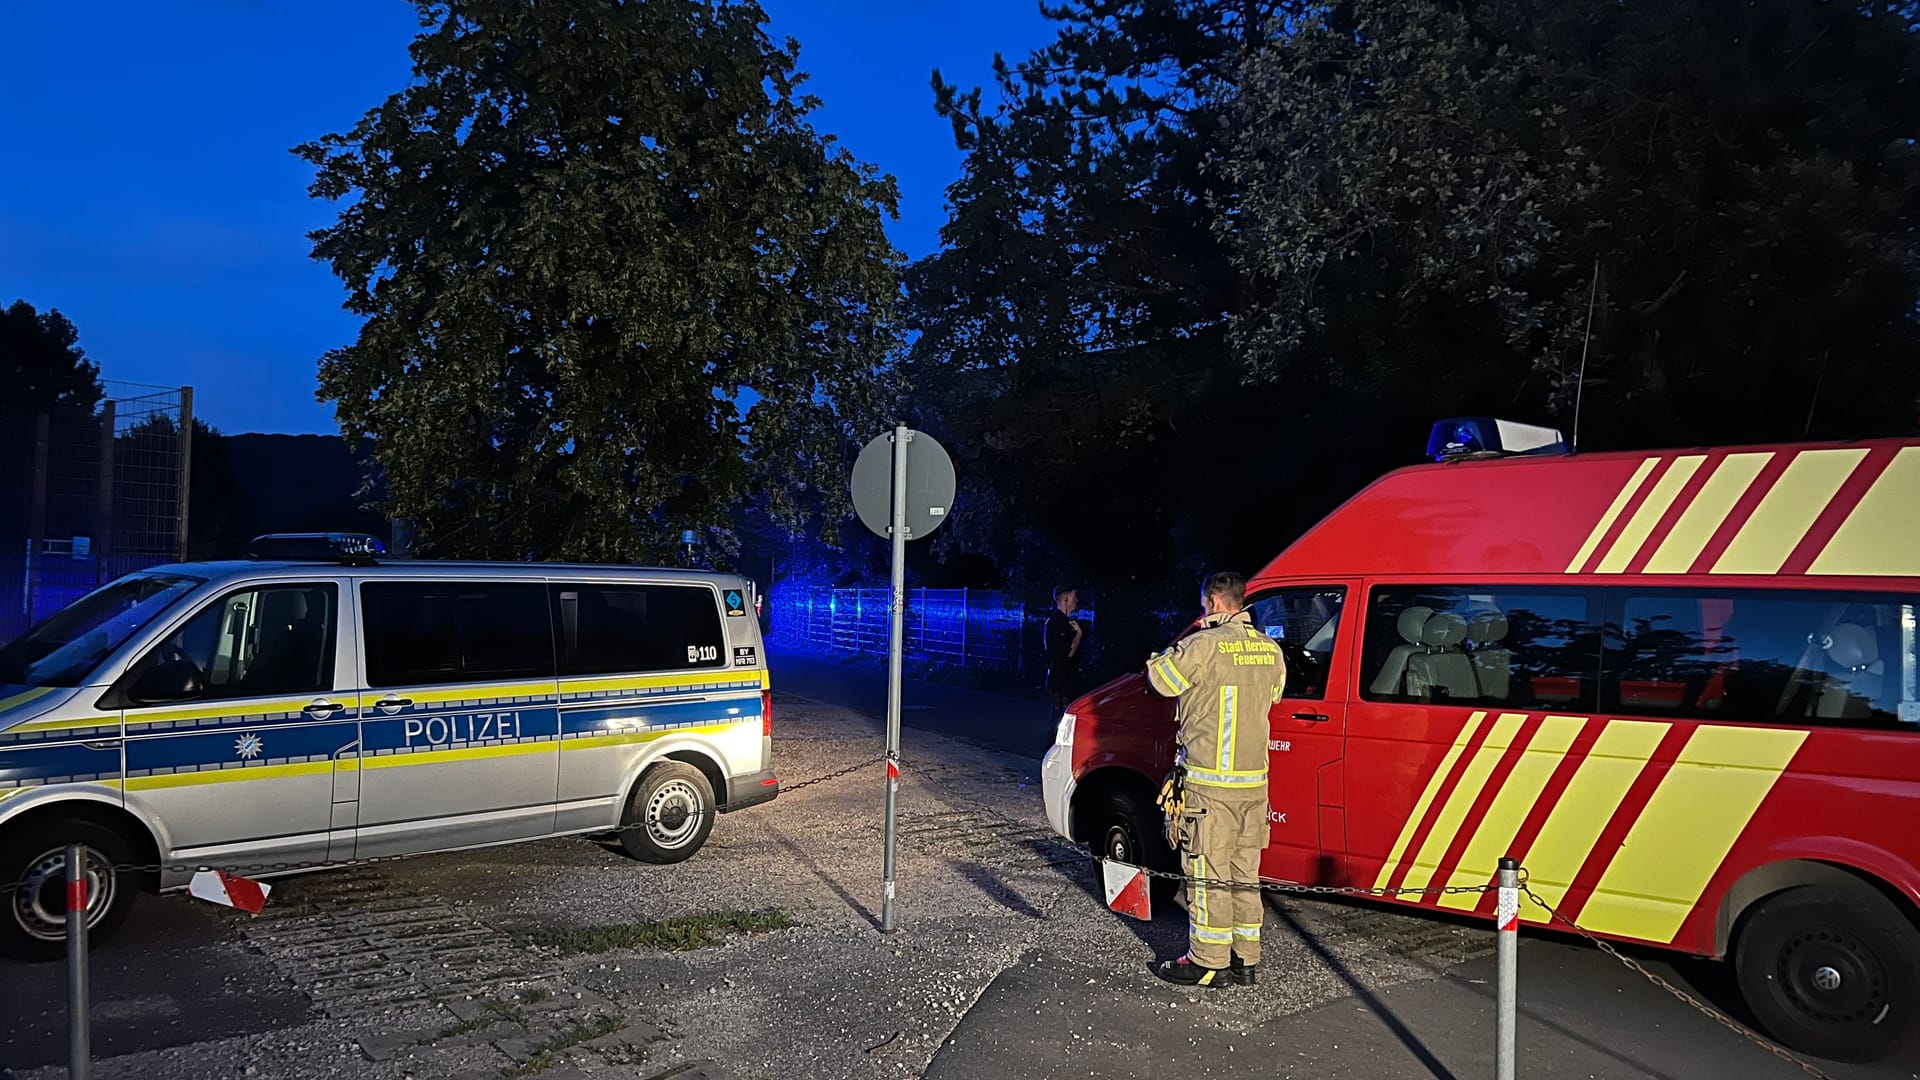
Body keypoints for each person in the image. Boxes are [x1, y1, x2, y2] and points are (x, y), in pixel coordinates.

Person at [1143, 571, 1286, 988]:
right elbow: (1274, 694)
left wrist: (1161, 653)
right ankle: (1246, 960)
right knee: (1245, 875)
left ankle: (1207, 961)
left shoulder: (1203, 646)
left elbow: (1159, 681)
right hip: (1254, 788)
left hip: (1210, 787)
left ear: (1213, 601)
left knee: (1207, 877)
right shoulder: (1269, 650)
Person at [1044, 585, 1085, 721]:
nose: (1077, 600)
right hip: (1061, 680)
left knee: (1061, 717)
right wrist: (1078, 635)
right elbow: (1068, 653)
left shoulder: (1063, 622)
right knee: (1061, 718)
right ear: (1066, 600)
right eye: (1074, 597)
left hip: (1062, 678)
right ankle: (1053, 742)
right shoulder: (1058, 623)